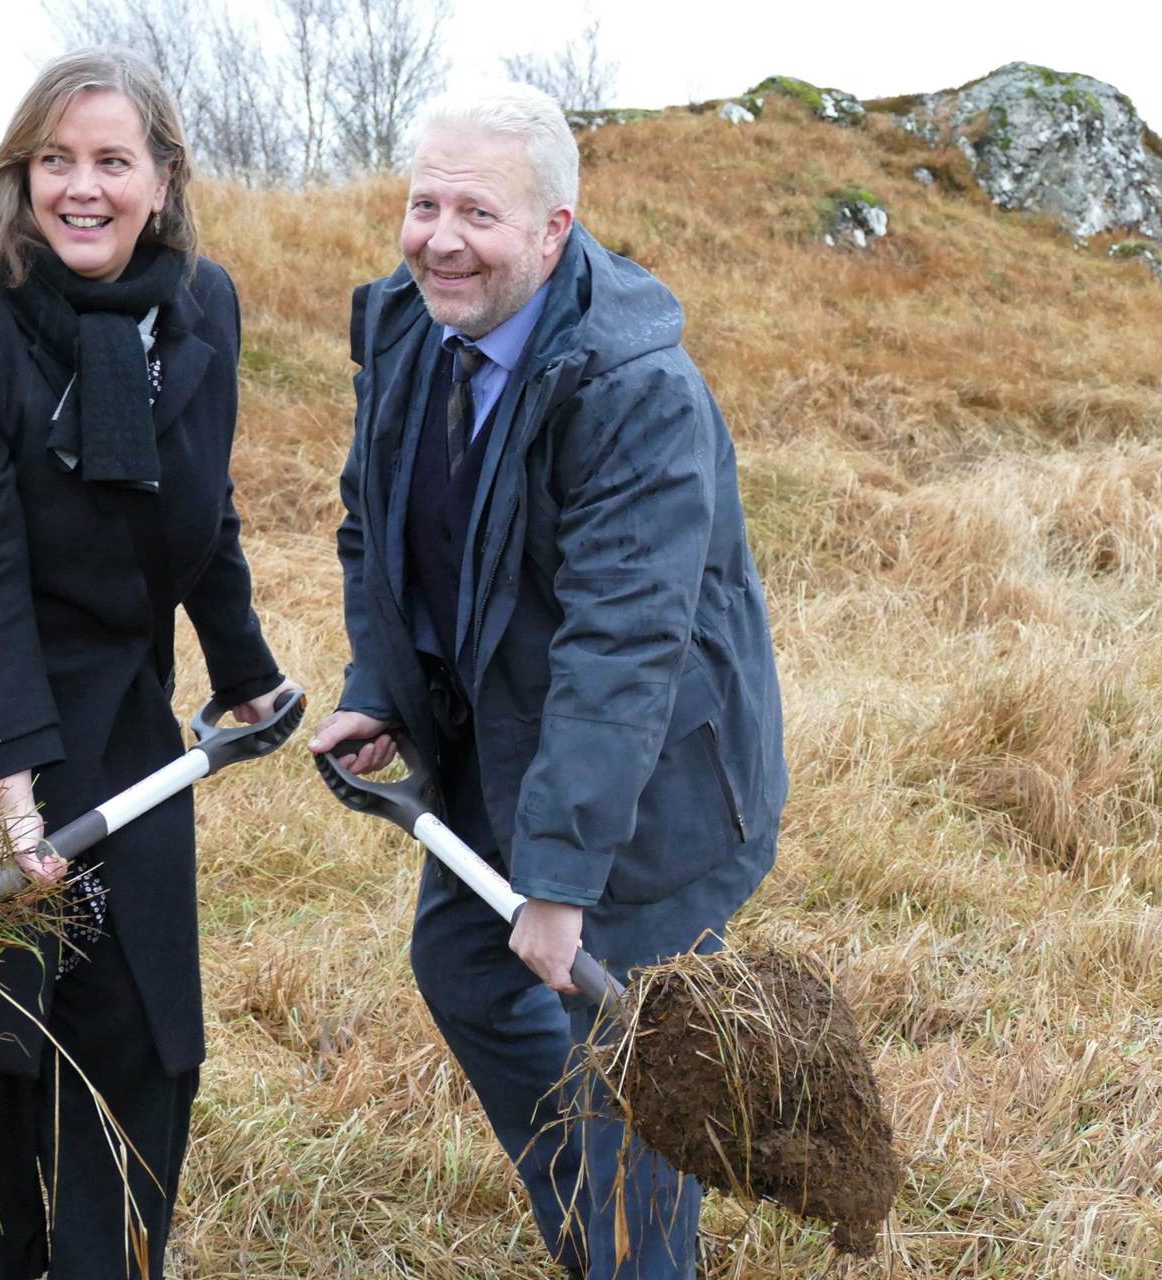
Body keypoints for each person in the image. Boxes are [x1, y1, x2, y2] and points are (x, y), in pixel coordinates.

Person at [0, 47, 290, 1279]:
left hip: (108, 694)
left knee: (134, 1024)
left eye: (112, 162)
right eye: (54, 162)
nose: (83, 188)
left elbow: (203, 509)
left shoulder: (201, 308)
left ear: (163, 181)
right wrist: (16, 784)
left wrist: (243, 670)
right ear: (19, 181)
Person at [308, 83, 787, 1280]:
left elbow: (625, 643)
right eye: (424, 202)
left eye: (480, 211)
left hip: (652, 772)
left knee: (630, 1070)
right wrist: (380, 679)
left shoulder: (633, 389)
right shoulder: (411, 327)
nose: (440, 237)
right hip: (504, 736)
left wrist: (562, 877)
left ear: (555, 230)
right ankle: (605, 1238)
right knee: (466, 962)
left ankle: (632, 1244)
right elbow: (378, 529)